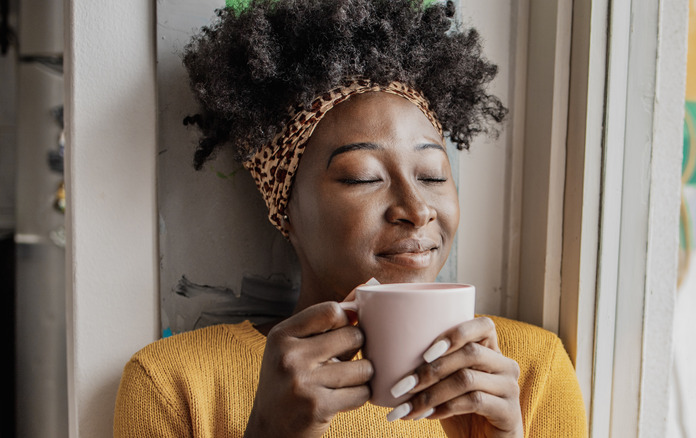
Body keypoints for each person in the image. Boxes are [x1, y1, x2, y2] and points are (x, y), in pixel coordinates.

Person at [113, 1, 587, 437]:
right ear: (285, 209)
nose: (418, 208)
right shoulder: (174, 384)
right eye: (362, 177)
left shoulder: (528, 371)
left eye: (433, 175)